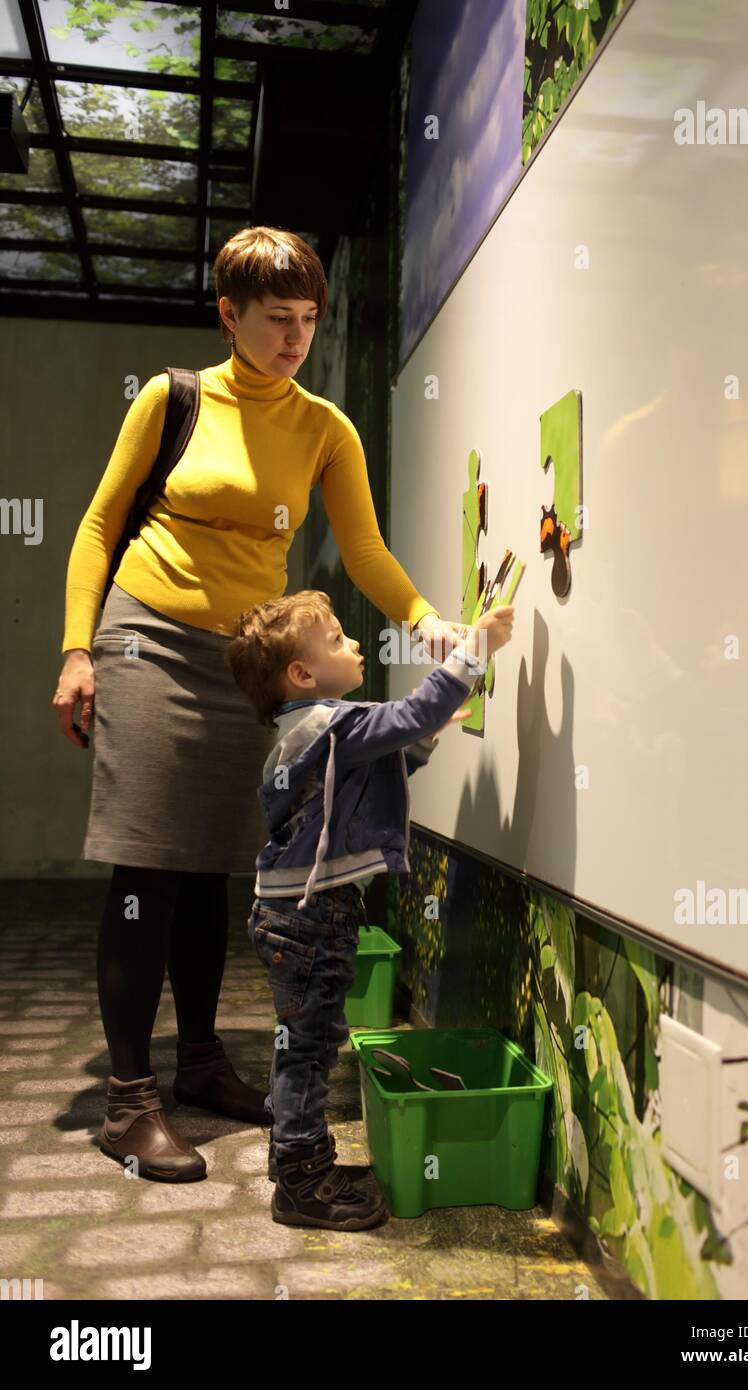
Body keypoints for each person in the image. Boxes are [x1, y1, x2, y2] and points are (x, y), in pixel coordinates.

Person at [52, 225, 470, 1182]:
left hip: (250, 661)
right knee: (147, 865)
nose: (296, 337)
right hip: (148, 635)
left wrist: (423, 617)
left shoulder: (325, 426)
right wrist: (78, 648)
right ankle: (127, 1101)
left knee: (211, 867)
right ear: (228, 313)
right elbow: (98, 523)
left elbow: (361, 549)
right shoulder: (174, 400)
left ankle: (198, 1064)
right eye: (277, 319)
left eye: (310, 320)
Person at [226, 591, 515, 1228]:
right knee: (309, 1048)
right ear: (301, 675)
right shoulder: (328, 723)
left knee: (302, 1043)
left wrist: (430, 729)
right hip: (311, 916)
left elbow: (381, 765)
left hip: (297, 915)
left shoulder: (314, 732)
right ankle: (302, 1182)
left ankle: (293, 1157)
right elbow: (407, 717)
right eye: (335, 640)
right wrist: (476, 649)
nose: (355, 645)